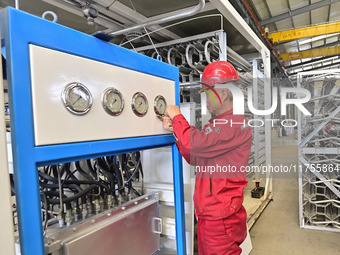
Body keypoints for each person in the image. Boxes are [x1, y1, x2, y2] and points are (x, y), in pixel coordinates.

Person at [159, 61, 252, 255]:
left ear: (224, 93)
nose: (206, 100)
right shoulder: (219, 124)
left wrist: (177, 117)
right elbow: (195, 156)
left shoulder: (233, 122)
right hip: (213, 213)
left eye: (208, 93)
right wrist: (177, 132)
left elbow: (195, 144)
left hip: (220, 217)